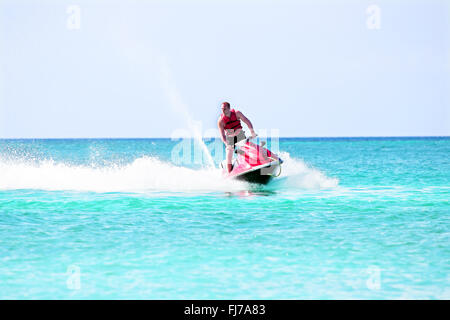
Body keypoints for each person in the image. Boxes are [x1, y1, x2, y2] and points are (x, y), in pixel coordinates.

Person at [217, 102, 257, 173]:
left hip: (240, 134)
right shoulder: (220, 121)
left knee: (247, 149)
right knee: (229, 154)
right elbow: (222, 135)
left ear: (229, 108)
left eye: (225, 109)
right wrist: (226, 143)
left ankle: (254, 163)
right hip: (230, 138)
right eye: (222, 109)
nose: (223, 111)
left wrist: (252, 132)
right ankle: (229, 172)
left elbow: (247, 121)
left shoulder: (237, 113)